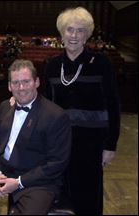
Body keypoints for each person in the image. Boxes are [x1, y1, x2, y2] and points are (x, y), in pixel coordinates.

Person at [0, 59, 72, 215]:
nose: (21, 88)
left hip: (37, 181)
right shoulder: (5, 107)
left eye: (26, 81)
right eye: (16, 83)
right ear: (9, 86)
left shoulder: (56, 115)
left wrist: (19, 182)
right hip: (4, 171)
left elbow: (57, 162)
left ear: (36, 82)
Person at [44, 7, 120, 215]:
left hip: (92, 144)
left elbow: (113, 104)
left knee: (88, 197)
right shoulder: (52, 65)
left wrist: (110, 145)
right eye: (70, 30)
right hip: (59, 143)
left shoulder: (102, 64)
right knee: (62, 199)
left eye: (80, 30)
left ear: (87, 35)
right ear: (62, 33)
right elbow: (44, 104)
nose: (74, 35)